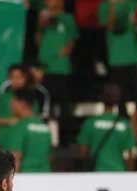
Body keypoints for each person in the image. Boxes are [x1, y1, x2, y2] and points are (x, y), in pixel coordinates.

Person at [37, 0, 77, 143]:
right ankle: (45, 138)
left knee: (64, 106)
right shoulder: (43, 18)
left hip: (60, 69)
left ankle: (68, 138)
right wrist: (41, 24)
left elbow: (70, 44)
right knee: (46, 106)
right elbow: (38, 41)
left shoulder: (68, 19)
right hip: (44, 68)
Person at [98, 0, 137, 110]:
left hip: (136, 58)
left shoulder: (133, 3)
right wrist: (112, 7)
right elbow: (110, 27)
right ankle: (123, 125)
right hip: (117, 59)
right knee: (120, 101)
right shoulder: (104, 6)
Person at [77, 83, 137, 171]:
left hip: (97, 172)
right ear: (117, 100)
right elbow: (130, 154)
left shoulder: (90, 123)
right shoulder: (125, 124)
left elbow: (83, 152)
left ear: (101, 98)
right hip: (118, 172)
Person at [10, 89, 52, 172]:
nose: (11, 105)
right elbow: (50, 156)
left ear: (22, 103)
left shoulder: (20, 126)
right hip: (46, 175)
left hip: (27, 176)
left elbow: (16, 157)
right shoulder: (45, 127)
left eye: (13, 102)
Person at [0, 64, 32, 144]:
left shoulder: (32, 98)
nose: (16, 80)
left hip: (26, 139)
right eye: (13, 77)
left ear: (26, 78)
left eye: (19, 77)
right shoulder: (2, 97)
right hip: (5, 138)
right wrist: (9, 121)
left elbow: (34, 118)